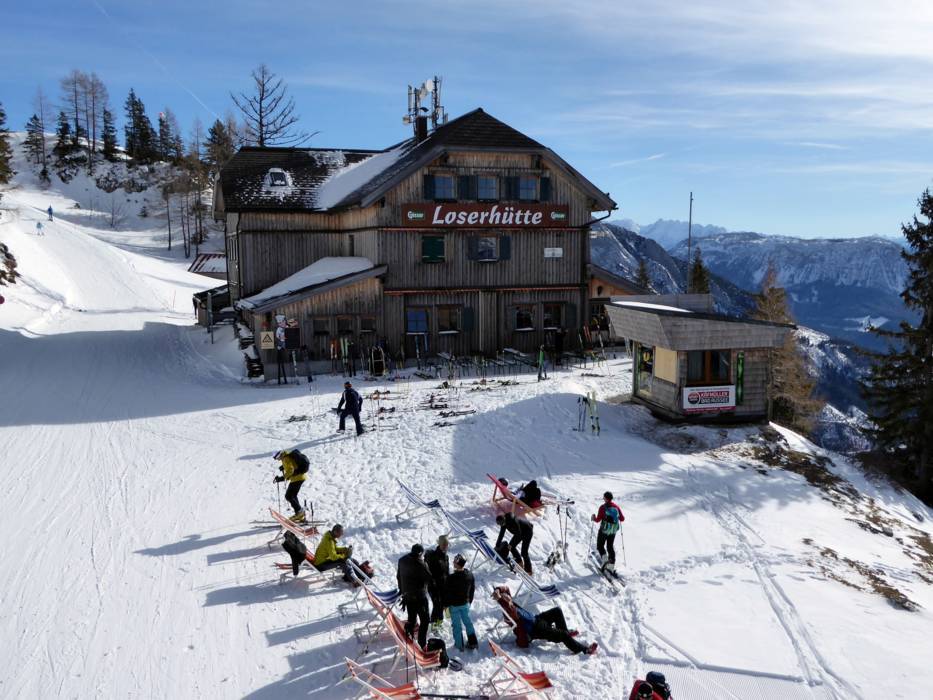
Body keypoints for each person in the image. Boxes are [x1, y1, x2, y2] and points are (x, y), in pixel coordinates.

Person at [492, 586, 596, 656]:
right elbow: (508, 607)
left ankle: (565, 634)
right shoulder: (510, 611)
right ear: (504, 602)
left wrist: (498, 589)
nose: (509, 597)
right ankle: (584, 650)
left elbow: (506, 589)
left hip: (538, 619)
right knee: (563, 635)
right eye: (506, 597)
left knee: (557, 611)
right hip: (537, 629)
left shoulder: (509, 603)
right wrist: (500, 599)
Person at [397, 544, 433, 649]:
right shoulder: (420, 564)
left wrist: (402, 591)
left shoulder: (402, 560)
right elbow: (429, 579)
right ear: (420, 554)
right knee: (425, 620)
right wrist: (425, 563)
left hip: (407, 596)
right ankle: (422, 644)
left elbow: (398, 577)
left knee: (411, 619)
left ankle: (409, 640)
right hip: (419, 597)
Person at [446, 553, 477, 651]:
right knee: (468, 623)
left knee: (457, 626)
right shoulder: (470, 575)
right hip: (465, 604)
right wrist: (469, 601)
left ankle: (459, 646)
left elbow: (447, 593)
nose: (453, 562)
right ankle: (473, 642)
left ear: (457, 564)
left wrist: (446, 605)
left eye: (454, 561)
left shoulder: (451, 578)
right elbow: (472, 589)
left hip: (454, 606)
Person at [272, 449, 310, 522]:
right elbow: (292, 465)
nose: (277, 459)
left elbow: (291, 470)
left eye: (276, 458)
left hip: (297, 478)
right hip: (299, 477)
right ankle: (300, 515)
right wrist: (283, 467)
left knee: (288, 496)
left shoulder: (285, 458)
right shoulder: (287, 457)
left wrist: (282, 478)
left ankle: (300, 513)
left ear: (279, 455)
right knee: (293, 496)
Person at [591, 491, 624, 572]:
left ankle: (605, 560)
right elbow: (622, 519)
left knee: (600, 545)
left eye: (604, 497)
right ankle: (611, 566)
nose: (603, 498)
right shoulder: (616, 507)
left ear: (606, 498)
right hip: (613, 530)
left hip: (604, 530)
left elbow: (598, 520)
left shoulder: (603, 507)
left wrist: (593, 518)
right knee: (610, 546)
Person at [424, 535, 450, 630]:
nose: (445, 546)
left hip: (443, 586)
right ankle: (434, 626)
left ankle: (439, 624)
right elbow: (428, 572)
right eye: (443, 544)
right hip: (434, 586)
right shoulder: (433, 556)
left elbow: (446, 572)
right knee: (437, 605)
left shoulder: (446, 557)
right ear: (439, 544)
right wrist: (432, 583)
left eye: (446, 544)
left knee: (442, 605)